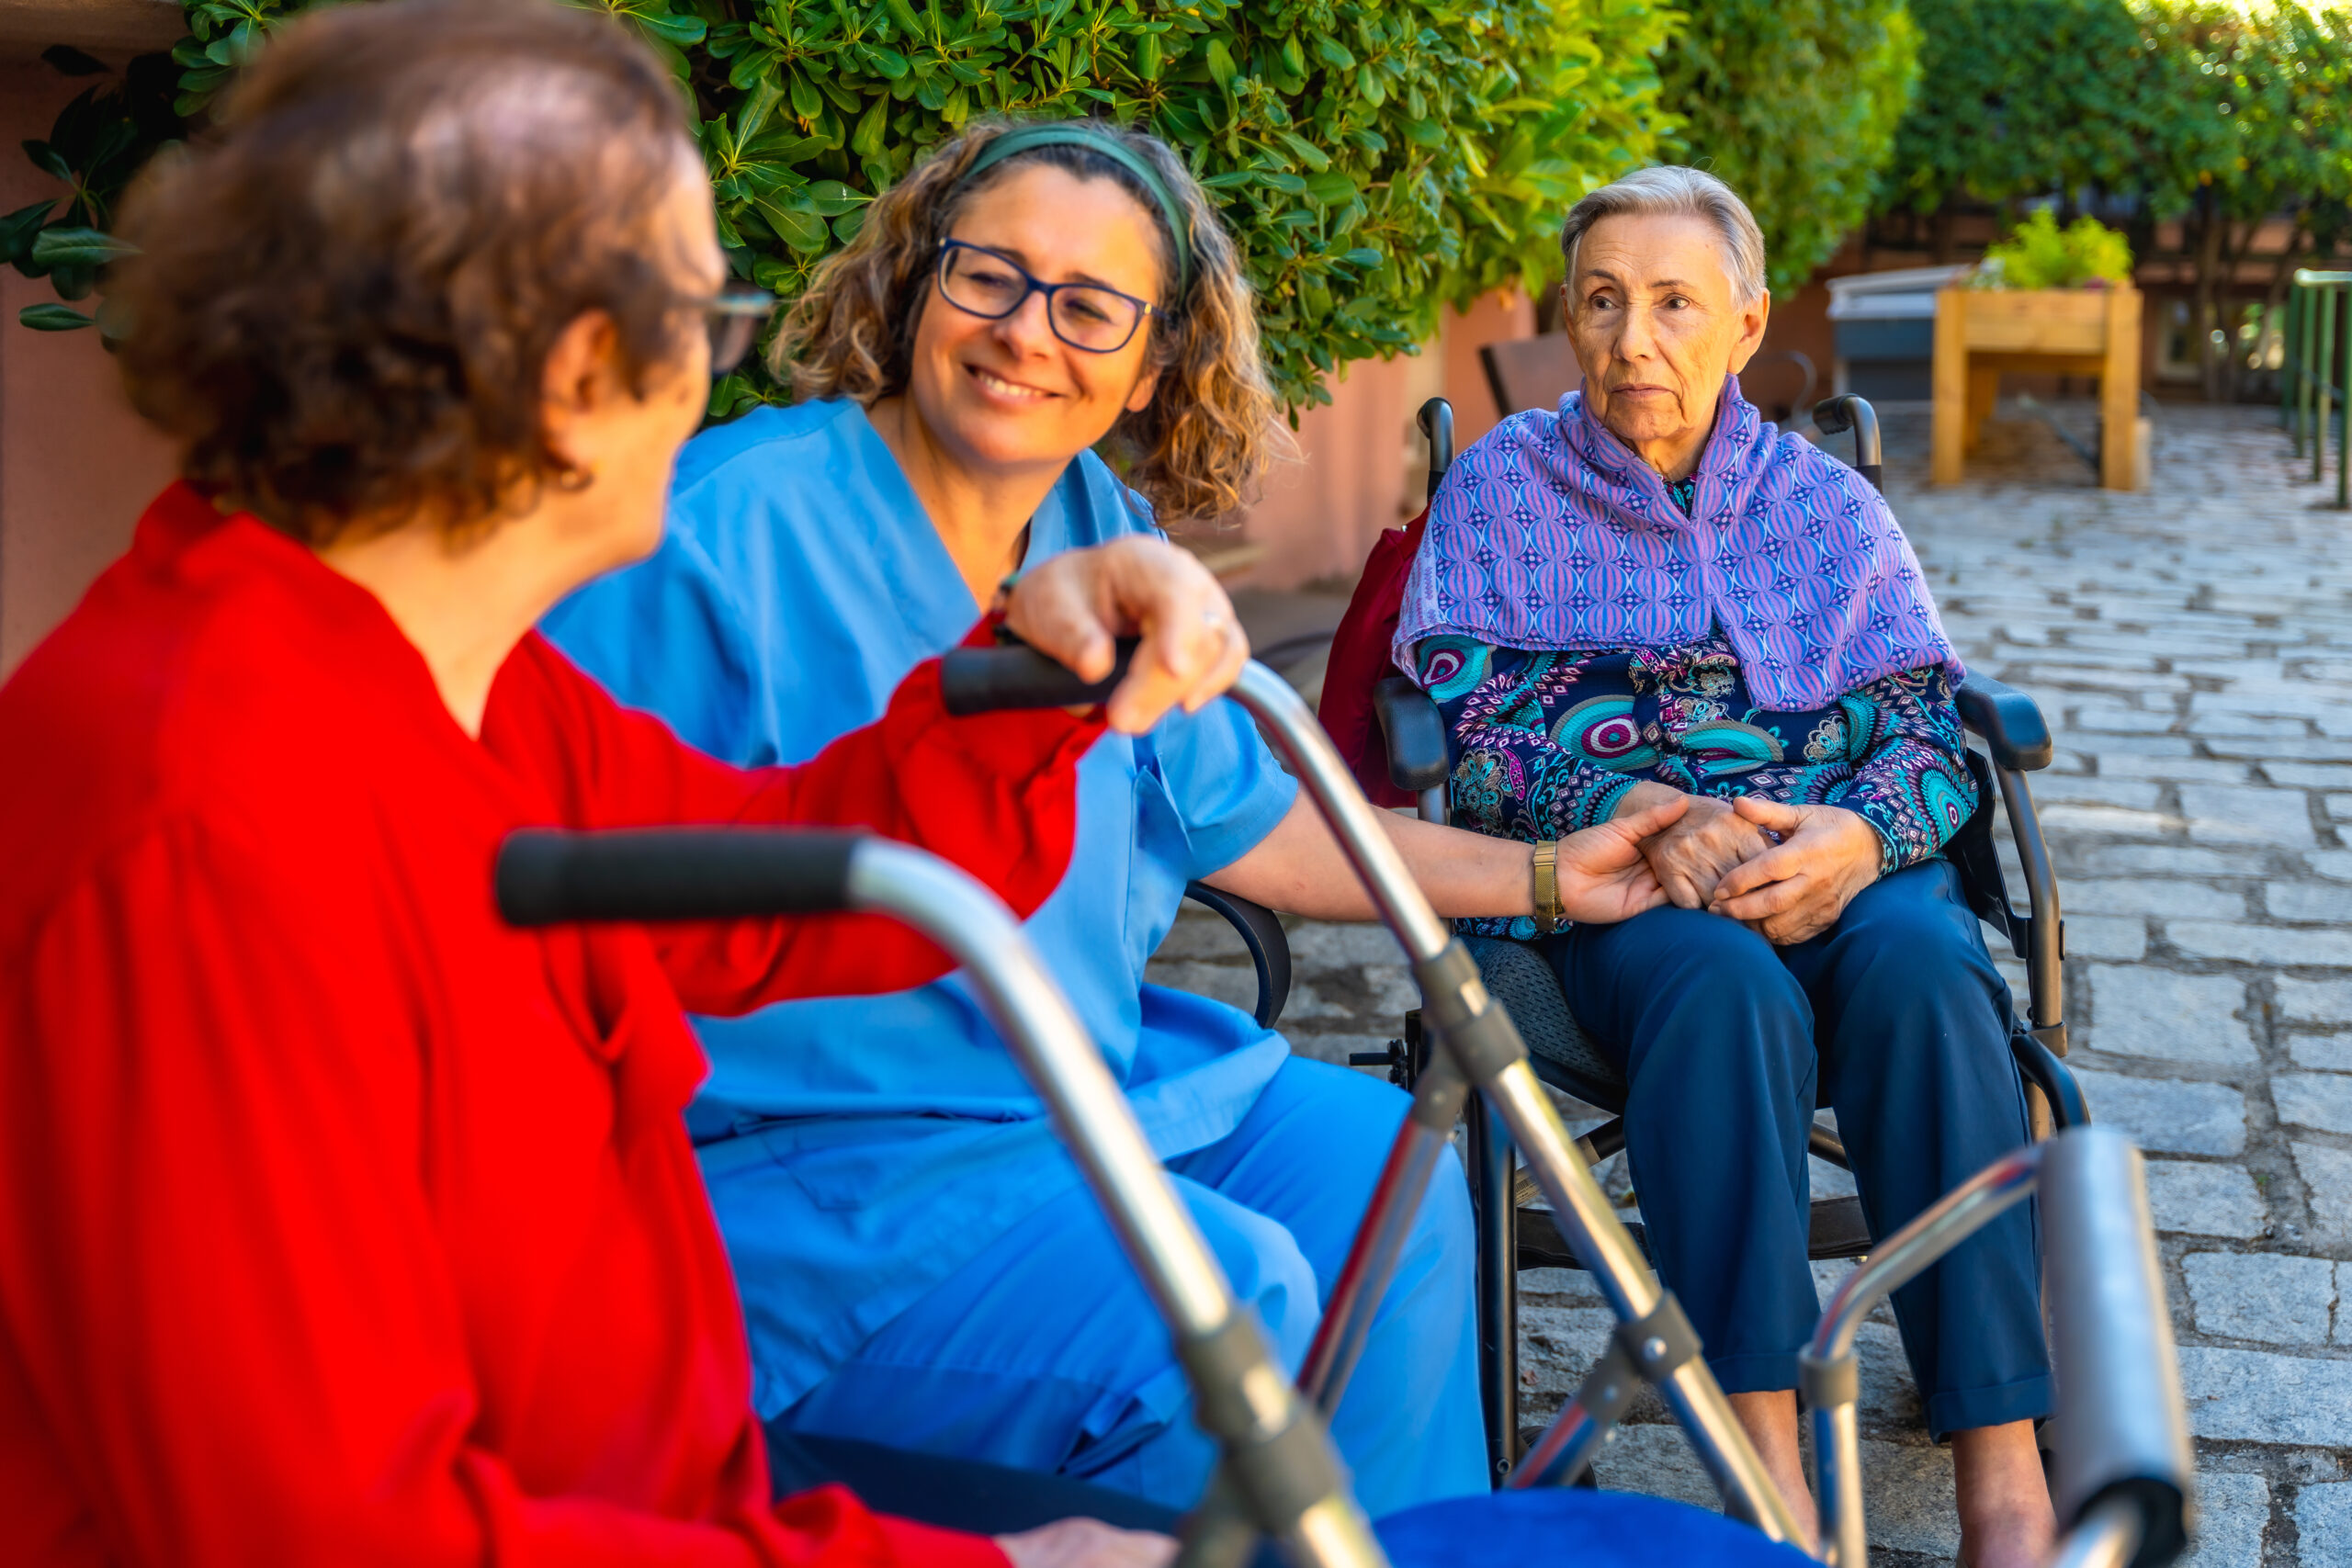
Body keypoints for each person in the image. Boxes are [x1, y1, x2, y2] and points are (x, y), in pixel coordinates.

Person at [0, 6, 1251, 1564]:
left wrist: (1031, 676)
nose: (711, 376)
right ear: (587, 365)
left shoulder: (450, 678)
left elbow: (781, 883)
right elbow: (330, 1533)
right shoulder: (202, 817)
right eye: (704, 313)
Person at [544, 118, 1686, 1510]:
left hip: (1078, 1098)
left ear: (1154, 360)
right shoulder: (722, 536)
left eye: (1089, 306)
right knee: (1236, 1303)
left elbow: (1263, 827)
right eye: (989, 279)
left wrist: (1553, 875)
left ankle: (1394, 1544)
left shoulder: (1097, 526)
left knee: (1385, 1169)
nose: (1028, 333)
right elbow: (570, 901)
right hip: (814, 1175)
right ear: (915, 285)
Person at [1393, 166, 2054, 1568]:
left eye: (1675, 304)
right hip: (1619, 883)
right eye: (1604, 302)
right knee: (1720, 989)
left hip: (1838, 859)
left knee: (1934, 971)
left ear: (1747, 327)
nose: (1635, 341)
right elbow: (1474, 728)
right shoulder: (1505, 485)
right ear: (1571, 321)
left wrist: (1861, 836)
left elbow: (1933, 732)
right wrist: (1644, 803)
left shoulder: (1826, 505)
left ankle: (2004, 1463)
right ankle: (1766, 1465)